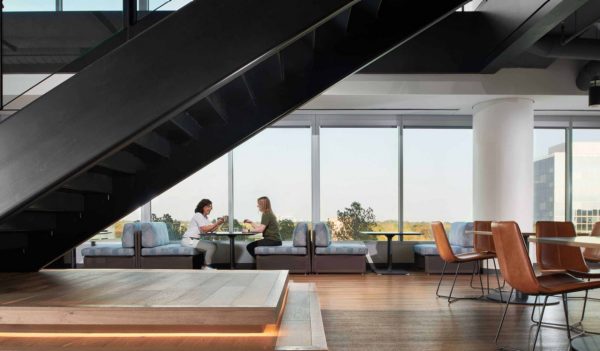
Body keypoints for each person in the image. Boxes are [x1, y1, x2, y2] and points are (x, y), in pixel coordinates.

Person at [181, 199, 224, 270]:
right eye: (208, 206)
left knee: (214, 245)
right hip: (188, 240)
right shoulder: (198, 215)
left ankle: (205, 266)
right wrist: (216, 223)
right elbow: (204, 229)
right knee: (211, 247)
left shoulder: (205, 218)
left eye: (211, 207)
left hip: (193, 240)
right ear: (202, 207)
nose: (210, 208)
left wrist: (219, 223)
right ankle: (207, 266)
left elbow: (211, 229)